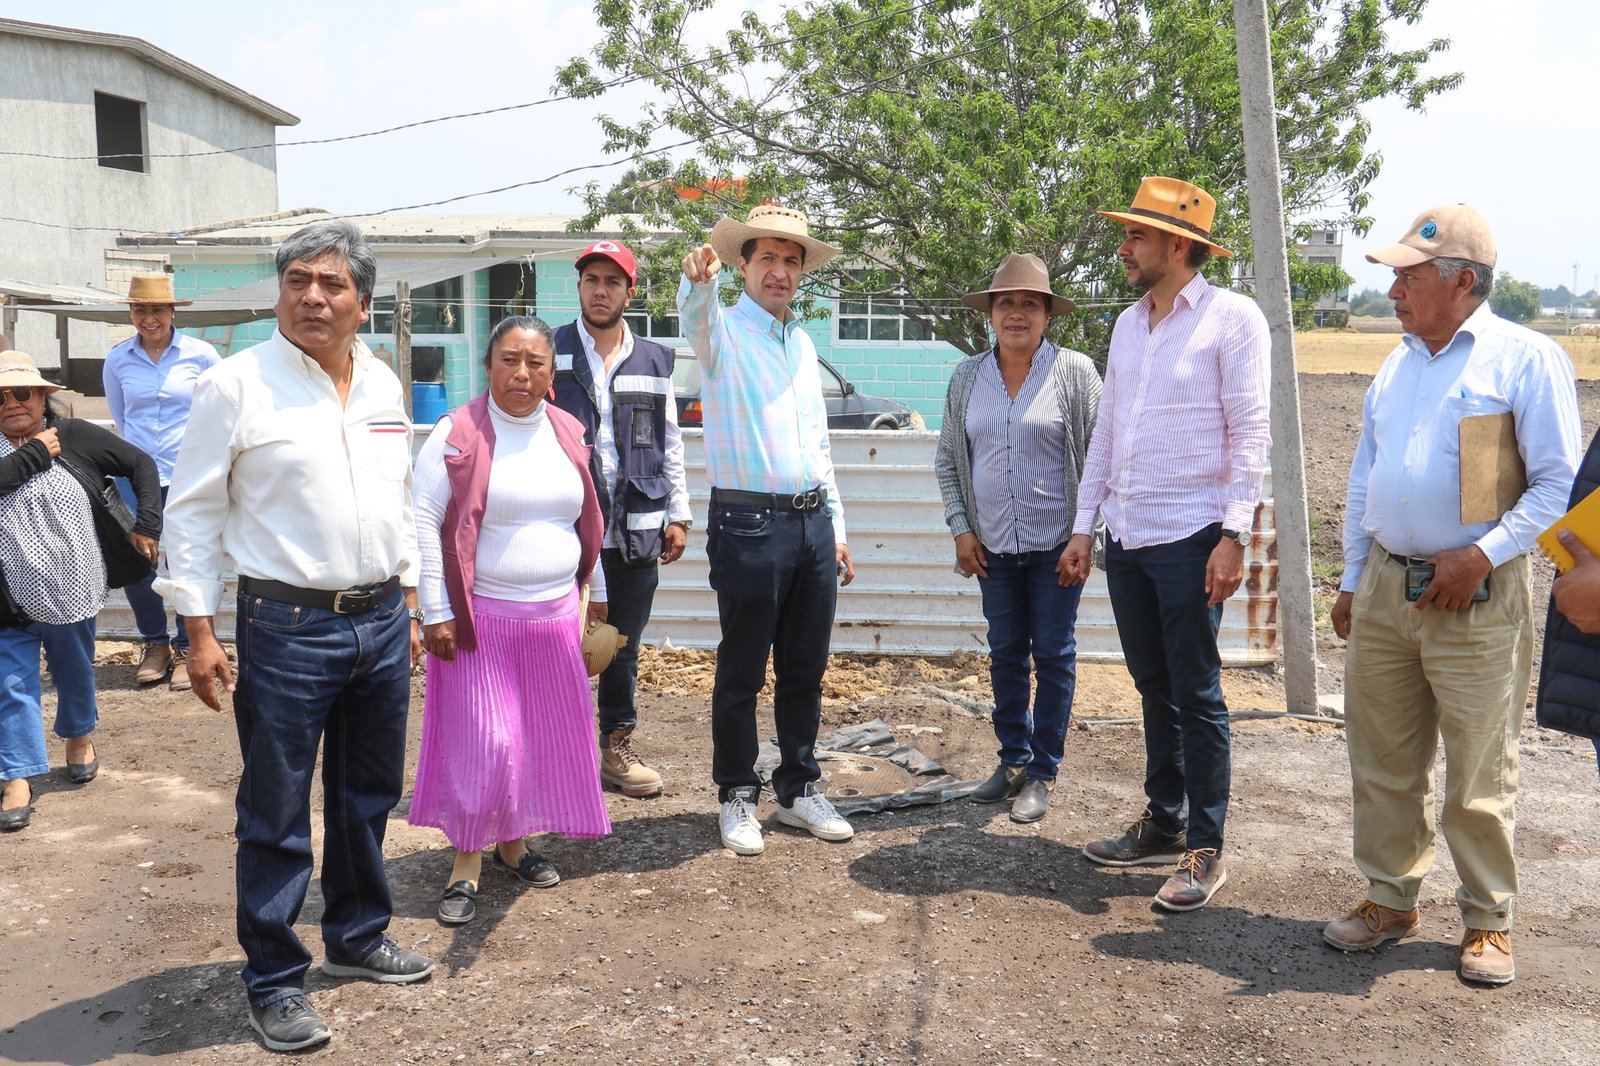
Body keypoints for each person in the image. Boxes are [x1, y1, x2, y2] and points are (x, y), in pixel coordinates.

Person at [163, 220, 434, 1052]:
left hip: (382, 621)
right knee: (276, 809)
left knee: (366, 795)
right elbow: (195, 510)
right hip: (285, 627)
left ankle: (355, 938)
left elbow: (399, 501)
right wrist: (198, 630)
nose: (312, 296)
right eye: (297, 281)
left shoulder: (385, 384)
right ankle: (276, 981)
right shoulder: (236, 386)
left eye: (332, 285)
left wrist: (415, 600)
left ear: (362, 302)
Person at [1323, 204, 1580, 986]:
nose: (1394, 289)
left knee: (1479, 764)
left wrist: (1482, 554)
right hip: (1387, 592)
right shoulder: (1399, 360)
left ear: (1463, 281)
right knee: (1384, 756)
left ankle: (1488, 920)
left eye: (1409, 275)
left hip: (1478, 594)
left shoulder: (1524, 360)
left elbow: (1557, 487)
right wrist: (1352, 577)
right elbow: (1368, 473)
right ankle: (1390, 898)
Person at [1063, 176, 1270, 912]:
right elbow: (1108, 434)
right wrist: (1085, 527)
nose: (1123, 248)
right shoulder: (1128, 325)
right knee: (1153, 686)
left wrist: (1234, 535)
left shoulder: (1233, 320)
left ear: (1178, 246)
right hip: (1130, 535)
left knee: (1197, 692)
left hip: (1193, 537)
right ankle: (1163, 820)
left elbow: (1250, 434)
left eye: (1136, 237)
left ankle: (1205, 850)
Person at [409, 315, 613, 924]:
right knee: (487, 743)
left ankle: (514, 845)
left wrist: (595, 590)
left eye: (535, 363)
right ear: (489, 365)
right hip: (479, 622)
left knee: (536, 742)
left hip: (553, 619)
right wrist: (435, 612)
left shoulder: (569, 430)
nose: (521, 374)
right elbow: (422, 520)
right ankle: (465, 863)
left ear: (552, 374)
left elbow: (586, 519)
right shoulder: (456, 432)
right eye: (509, 360)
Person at [676, 204, 856, 856]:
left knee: (805, 667)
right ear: (744, 266)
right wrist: (698, 280)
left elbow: (818, 444)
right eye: (767, 259)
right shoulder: (721, 332)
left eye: (791, 260)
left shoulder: (802, 344)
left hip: (811, 522)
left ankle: (799, 788)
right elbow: (695, 318)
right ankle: (736, 795)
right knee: (744, 669)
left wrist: (837, 527)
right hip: (748, 522)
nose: (779, 271)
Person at [934, 253, 1100, 824]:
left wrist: (1086, 533)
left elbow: (1100, 458)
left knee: (1053, 654)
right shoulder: (968, 377)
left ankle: (1043, 772)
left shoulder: (1073, 374)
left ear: (1048, 314)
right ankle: (1011, 762)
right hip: (994, 547)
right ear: (991, 313)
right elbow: (950, 461)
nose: (1017, 313)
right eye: (1006, 302)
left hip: (1059, 546)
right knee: (1006, 653)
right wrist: (961, 527)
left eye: (1030, 303)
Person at [547, 240, 692, 798]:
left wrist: (678, 513)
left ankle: (615, 747)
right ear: (579, 287)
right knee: (557, 645)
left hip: (636, 527)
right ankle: (558, 755)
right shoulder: (547, 348)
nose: (600, 289)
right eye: (591, 279)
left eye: (612, 281)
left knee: (622, 646)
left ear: (630, 292)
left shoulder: (655, 358)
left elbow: (670, 440)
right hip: (563, 529)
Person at [0, 349, 161, 831]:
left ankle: (77, 736)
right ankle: (17, 777)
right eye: (0, 396)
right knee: (10, 685)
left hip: (72, 587)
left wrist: (148, 523)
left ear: (43, 397)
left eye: (22, 392)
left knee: (73, 672)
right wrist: (33, 455)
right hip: (8, 596)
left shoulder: (73, 437)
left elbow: (142, 464)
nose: (11, 403)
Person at [103, 274, 220, 690]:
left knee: (186, 559)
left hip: (186, 472)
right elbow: (122, 417)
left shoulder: (202, 356)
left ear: (172, 312)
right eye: (140, 310)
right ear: (131, 313)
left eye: (156, 310)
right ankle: (156, 645)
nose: (148, 318)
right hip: (136, 477)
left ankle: (190, 645)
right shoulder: (117, 360)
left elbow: (218, 412)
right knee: (137, 561)